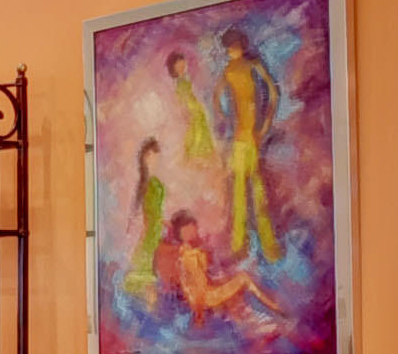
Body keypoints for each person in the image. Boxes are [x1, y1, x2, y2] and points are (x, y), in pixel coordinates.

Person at [211, 28, 283, 261]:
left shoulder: (253, 66)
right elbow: (216, 98)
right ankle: (241, 246)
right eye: (229, 48)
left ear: (241, 46)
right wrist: (226, 119)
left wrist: (265, 126)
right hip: (240, 139)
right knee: (241, 195)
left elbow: (274, 93)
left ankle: (267, 246)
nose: (231, 51)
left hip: (251, 137)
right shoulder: (229, 70)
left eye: (234, 46)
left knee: (256, 193)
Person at [160, 211, 291, 334]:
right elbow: (199, 291)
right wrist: (199, 317)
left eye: (194, 226)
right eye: (191, 227)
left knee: (228, 278)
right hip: (206, 298)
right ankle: (273, 309)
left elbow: (196, 282)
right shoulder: (192, 256)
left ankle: (247, 317)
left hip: (202, 297)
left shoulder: (185, 253)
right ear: (183, 232)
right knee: (243, 278)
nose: (195, 229)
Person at [119, 137, 166, 306]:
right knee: (147, 278)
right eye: (152, 156)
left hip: (156, 232)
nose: (155, 160)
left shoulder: (155, 183)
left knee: (150, 278)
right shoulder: (146, 184)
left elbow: (157, 212)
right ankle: (148, 308)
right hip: (149, 235)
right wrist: (143, 235)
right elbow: (143, 215)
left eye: (157, 156)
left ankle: (149, 307)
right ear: (145, 158)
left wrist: (163, 224)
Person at [166, 50, 216, 164]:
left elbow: (191, 93)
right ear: (173, 68)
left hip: (196, 108)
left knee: (200, 129)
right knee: (194, 132)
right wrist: (183, 110)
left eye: (183, 64)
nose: (182, 67)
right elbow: (178, 98)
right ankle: (194, 156)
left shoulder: (185, 78)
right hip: (190, 108)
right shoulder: (177, 82)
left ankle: (201, 155)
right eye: (179, 65)